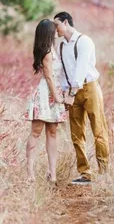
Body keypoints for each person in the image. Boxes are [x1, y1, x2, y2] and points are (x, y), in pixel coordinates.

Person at [54, 11, 109, 185]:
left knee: (98, 130)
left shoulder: (84, 41)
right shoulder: (61, 46)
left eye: (57, 25)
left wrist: (71, 93)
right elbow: (63, 72)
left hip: (89, 88)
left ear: (65, 22)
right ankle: (85, 173)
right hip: (72, 91)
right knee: (76, 134)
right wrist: (65, 93)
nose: (55, 29)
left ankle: (104, 172)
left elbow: (81, 68)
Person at [24, 19, 68, 183]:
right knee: (36, 132)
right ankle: (30, 173)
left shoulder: (52, 49)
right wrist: (57, 97)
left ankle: (52, 173)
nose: (56, 31)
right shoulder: (47, 52)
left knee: (52, 133)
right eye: (54, 29)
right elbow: (48, 76)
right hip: (45, 94)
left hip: (53, 91)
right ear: (48, 32)